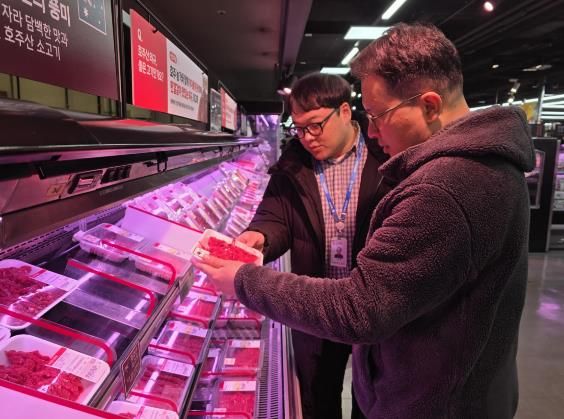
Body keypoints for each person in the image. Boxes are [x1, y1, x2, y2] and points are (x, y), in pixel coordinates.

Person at [193, 22, 534, 418]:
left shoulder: (443, 187)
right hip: (443, 380)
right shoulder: (486, 163)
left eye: (377, 115)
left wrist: (244, 281)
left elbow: (361, 309)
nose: (371, 130)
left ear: (429, 106)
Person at [235, 72, 388, 419]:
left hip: (373, 305)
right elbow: (274, 216)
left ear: (345, 112)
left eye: (316, 125)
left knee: (373, 395)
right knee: (318, 396)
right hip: (316, 306)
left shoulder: (386, 157)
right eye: (299, 128)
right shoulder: (293, 165)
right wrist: (259, 236)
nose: (306, 138)